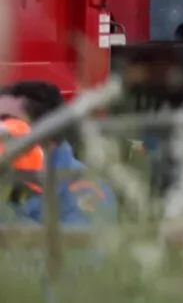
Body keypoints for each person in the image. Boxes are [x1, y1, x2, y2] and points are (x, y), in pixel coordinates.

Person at [0, 81, 116, 225]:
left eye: (7, 121)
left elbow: (78, 245)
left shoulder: (86, 187)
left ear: (47, 135)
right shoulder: (11, 177)